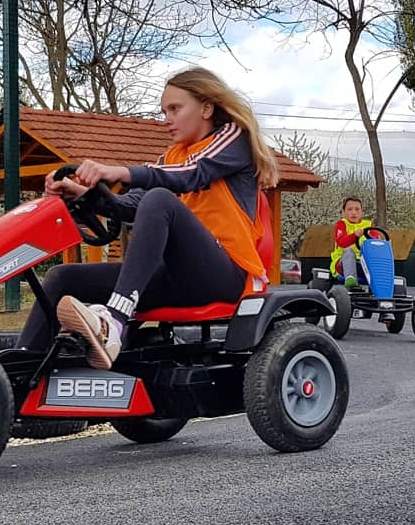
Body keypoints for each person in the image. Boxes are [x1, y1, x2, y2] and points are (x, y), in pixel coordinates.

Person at [16, 66, 279, 369]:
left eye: (175, 109)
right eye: (164, 110)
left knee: (160, 198)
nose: (166, 119)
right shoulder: (172, 156)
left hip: (224, 275)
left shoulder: (234, 139)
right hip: (174, 277)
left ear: (207, 108)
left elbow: (191, 175)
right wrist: (85, 195)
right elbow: (131, 205)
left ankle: (114, 321)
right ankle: (21, 373)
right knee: (63, 277)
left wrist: (117, 171)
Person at [331, 196, 374, 289]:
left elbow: (375, 241)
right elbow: (341, 242)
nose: (354, 212)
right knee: (348, 250)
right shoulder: (341, 224)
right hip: (343, 263)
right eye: (350, 209)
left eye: (357, 209)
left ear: (361, 211)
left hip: (364, 263)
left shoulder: (368, 225)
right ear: (343, 212)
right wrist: (355, 235)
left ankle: (382, 286)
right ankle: (351, 280)